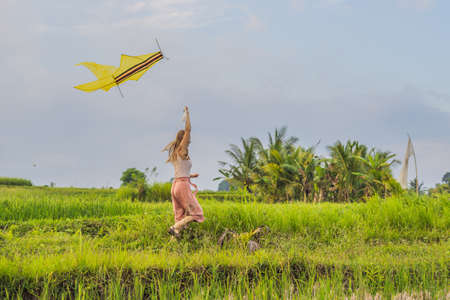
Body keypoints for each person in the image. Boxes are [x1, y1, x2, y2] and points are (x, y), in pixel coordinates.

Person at [163, 106, 204, 238]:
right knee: (197, 213)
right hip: (182, 186)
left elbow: (180, 172)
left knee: (179, 217)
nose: (190, 140)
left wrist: (191, 175)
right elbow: (188, 129)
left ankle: (172, 245)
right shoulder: (182, 149)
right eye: (187, 138)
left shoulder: (176, 153)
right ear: (183, 139)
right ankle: (173, 228)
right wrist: (187, 114)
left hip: (175, 185)